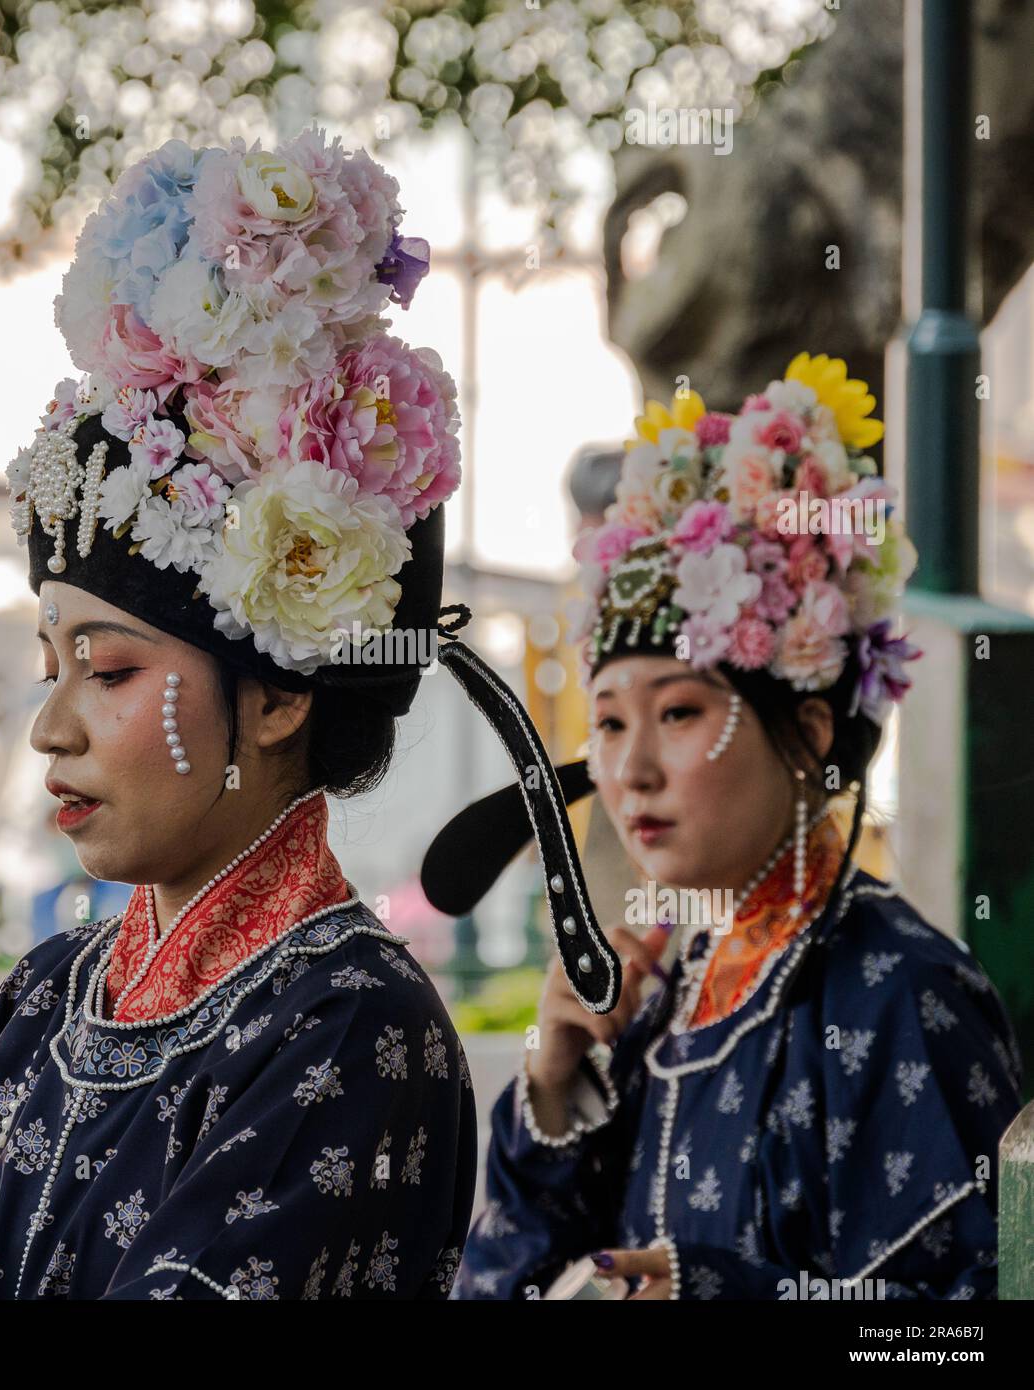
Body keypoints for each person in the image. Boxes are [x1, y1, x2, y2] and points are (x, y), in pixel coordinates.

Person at [0, 126, 603, 1300]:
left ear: (283, 689)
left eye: (110, 670)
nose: (50, 726)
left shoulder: (352, 1031)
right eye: (50, 664)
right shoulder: (43, 998)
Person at [437, 353, 1023, 1299]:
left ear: (810, 734)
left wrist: (716, 1292)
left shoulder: (904, 995)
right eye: (612, 722)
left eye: (679, 714)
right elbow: (507, 1283)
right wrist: (553, 1090)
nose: (629, 770)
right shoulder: (662, 989)